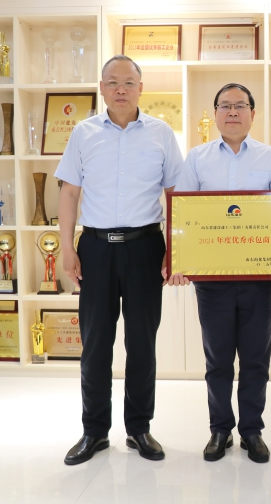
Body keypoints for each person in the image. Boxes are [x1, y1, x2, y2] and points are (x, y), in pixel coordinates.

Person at [56, 55, 183, 465]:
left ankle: (139, 429)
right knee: (95, 343)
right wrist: (67, 248)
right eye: (113, 82)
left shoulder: (162, 133)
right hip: (95, 248)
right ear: (102, 87)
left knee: (142, 343)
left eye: (129, 82)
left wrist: (176, 249)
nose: (121, 89)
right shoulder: (84, 132)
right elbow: (69, 193)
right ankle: (94, 432)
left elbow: (175, 196)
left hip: (146, 247)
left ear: (141, 88)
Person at [167, 83, 271, 464]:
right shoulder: (197, 159)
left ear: (253, 113)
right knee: (218, 359)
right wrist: (179, 262)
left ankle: (252, 430)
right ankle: (220, 429)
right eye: (225, 106)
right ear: (215, 114)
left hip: (260, 279)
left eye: (240, 106)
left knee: (255, 359)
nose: (233, 112)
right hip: (212, 280)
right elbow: (182, 215)